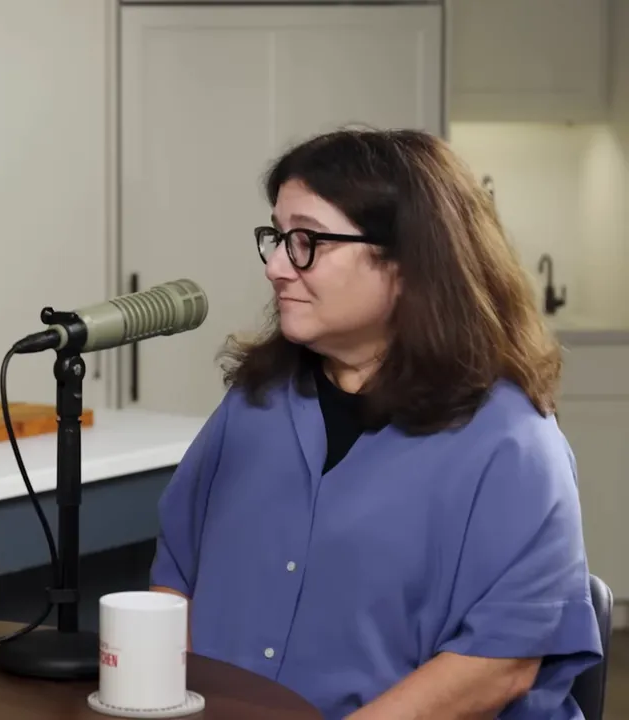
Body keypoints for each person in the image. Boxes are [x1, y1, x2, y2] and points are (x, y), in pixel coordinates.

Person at [150, 128, 603, 719]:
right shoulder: (254, 405)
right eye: (278, 237)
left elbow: (501, 663)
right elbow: (175, 577)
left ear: (409, 261)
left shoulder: (512, 443)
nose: (277, 266)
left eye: (308, 241)